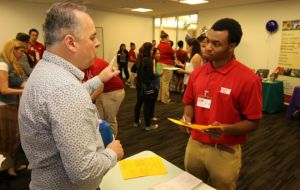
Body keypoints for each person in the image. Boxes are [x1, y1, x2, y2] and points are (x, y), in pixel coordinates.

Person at [18, 2, 124, 190]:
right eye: (92, 37)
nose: (97, 43)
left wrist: (100, 78)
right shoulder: (65, 90)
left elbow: (65, 100)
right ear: (70, 43)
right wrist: (112, 153)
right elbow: (84, 172)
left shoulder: (46, 71)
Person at [181, 18, 262, 190]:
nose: (208, 47)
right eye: (207, 41)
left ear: (232, 46)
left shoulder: (248, 79)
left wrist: (225, 128)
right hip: (194, 144)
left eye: (216, 44)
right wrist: (187, 117)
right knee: (191, 186)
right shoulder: (198, 74)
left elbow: (253, 122)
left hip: (224, 151)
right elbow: (190, 102)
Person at [0, 39, 27, 176]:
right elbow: (3, 89)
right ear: (13, 50)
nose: (22, 54)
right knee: (8, 138)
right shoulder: (3, 65)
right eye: (21, 51)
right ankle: (8, 167)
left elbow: (20, 83)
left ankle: (13, 164)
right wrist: (24, 91)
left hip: (14, 105)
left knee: (16, 137)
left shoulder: (15, 65)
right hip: (4, 106)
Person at [83, 57, 125, 136]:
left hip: (114, 91)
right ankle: (102, 139)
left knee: (110, 119)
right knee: (99, 118)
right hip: (103, 91)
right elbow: (87, 83)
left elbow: (99, 88)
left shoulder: (95, 66)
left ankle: (111, 141)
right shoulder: (84, 66)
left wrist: (86, 101)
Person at [133, 42, 159, 131]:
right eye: (152, 50)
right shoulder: (149, 60)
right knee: (147, 106)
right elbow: (151, 76)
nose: (153, 52)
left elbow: (133, 69)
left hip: (139, 85)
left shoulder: (139, 59)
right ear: (149, 50)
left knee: (139, 103)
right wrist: (156, 75)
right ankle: (148, 125)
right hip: (146, 86)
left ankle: (136, 122)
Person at [157, 30, 175, 104]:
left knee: (159, 82)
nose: (168, 39)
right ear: (166, 38)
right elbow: (173, 55)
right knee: (166, 82)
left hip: (159, 65)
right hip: (167, 65)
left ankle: (159, 97)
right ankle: (165, 99)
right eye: (168, 38)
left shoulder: (158, 45)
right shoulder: (168, 46)